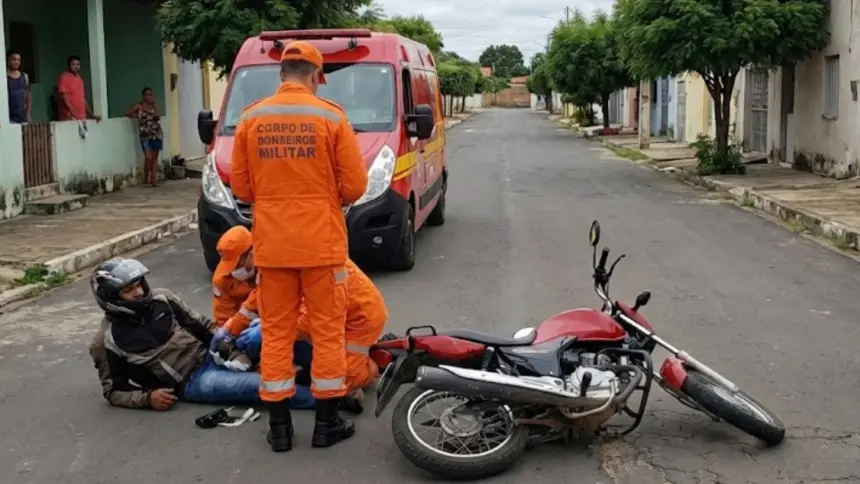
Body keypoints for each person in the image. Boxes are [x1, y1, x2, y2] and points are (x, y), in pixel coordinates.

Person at [230, 40, 368, 452]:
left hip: (272, 247)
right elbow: (356, 186)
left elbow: (240, 186)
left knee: (276, 333)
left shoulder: (252, 118)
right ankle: (326, 426)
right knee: (327, 332)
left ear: (281, 74)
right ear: (315, 76)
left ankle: (280, 430)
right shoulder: (331, 117)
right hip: (322, 247)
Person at [87, 258, 316, 410]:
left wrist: (232, 352)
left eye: (139, 285)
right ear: (111, 298)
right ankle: (332, 399)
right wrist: (147, 398)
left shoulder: (162, 298)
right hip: (194, 380)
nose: (138, 292)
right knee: (264, 386)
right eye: (128, 290)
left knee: (274, 332)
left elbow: (204, 327)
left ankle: (330, 374)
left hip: (212, 352)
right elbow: (113, 391)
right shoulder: (105, 341)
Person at [126, 88, 163, 186]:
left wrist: (153, 112)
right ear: (143, 96)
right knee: (148, 157)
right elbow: (128, 113)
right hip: (145, 134)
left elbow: (158, 115)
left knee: (155, 158)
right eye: (147, 95)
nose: (149, 97)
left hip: (156, 133)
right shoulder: (139, 106)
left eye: (150, 95)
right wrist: (137, 115)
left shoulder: (154, 105)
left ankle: (153, 180)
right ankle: (146, 177)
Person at [57, 55, 101, 122]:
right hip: (70, 117)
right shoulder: (64, 77)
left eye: (78, 64)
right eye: (73, 64)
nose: (76, 66)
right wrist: (73, 112)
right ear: (69, 65)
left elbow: (82, 99)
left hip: (81, 117)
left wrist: (92, 115)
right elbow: (64, 97)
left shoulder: (79, 79)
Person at [6, 50, 30, 124]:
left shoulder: (24, 76)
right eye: (14, 59)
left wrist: (28, 114)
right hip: (9, 119)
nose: (16, 62)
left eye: (18, 60)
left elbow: (28, 96)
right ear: (8, 60)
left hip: (23, 118)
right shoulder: (4, 77)